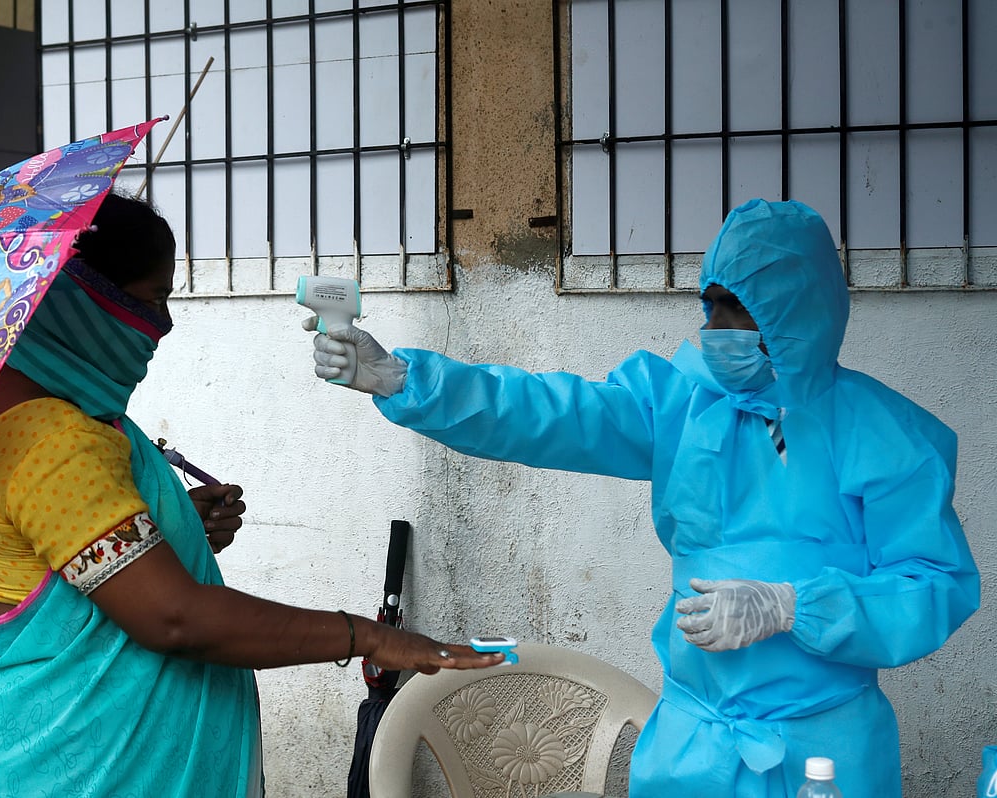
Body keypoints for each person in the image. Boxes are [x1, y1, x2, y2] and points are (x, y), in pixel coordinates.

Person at [303, 198, 980, 797]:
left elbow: (935, 586)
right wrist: (403, 380)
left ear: (795, 311)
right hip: (691, 747)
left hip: (825, 756)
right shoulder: (683, 406)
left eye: (737, 307)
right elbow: (549, 412)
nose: (716, 327)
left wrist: (794, 606)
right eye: (709, 304)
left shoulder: (886, 437)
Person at [0, 191, 503, 798]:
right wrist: (373, 636)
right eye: (154, 299)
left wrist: (174, 526)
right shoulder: (52, 441)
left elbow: (75, 571)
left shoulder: (60, 422)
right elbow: (174, 617)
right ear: (91, 305)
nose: (165, 324)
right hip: (70, 772)